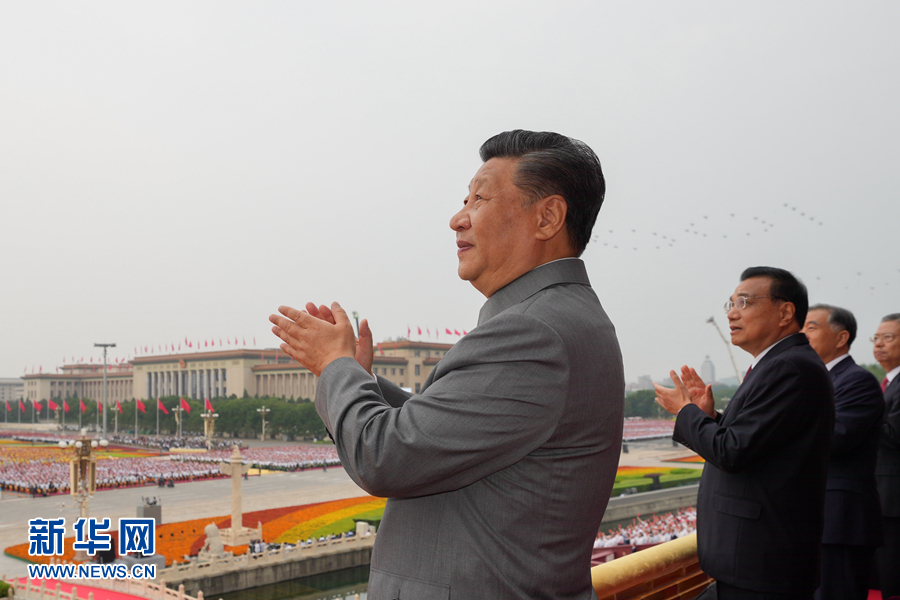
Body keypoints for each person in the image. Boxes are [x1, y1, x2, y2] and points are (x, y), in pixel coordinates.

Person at [270, 130, 624, 599]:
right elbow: (446, 429)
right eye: (464, 200)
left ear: (547, 217)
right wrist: (356, 376)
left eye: (479, 199)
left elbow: (384, 457)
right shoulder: (559, 318)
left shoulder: (532, 333)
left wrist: (335, 366)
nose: (458, 219)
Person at [654, 267, 834, 600]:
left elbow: (731, 451)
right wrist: (709, 416)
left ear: (785, 312)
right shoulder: (777, 364)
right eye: (731, 303)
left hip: (762, 562)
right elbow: (758, 441)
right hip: (757, 558)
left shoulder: (788, 367)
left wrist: (685, 411)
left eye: (744, 302)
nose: (732, 313)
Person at [801, 304, 884, 600]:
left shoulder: (857, 380)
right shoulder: (814, 379)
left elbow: (836, 438)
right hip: (813, 519)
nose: (801, 334)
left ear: (841, 337)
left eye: (811, 327)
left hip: (840, 519)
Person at [873, 313, 900, 599]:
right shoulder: (888, 383)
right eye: (876, 338)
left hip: (893, 497)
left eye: (888, 337)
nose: (879, 344)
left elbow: (894, 434)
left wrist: (864, 412)